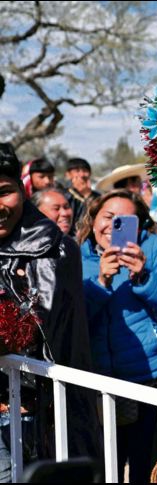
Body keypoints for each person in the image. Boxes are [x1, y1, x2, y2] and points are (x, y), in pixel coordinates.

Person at [0, 143, 100, 481]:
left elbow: (38, 328)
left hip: (33, 412)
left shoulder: (51, 248)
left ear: (22, 191)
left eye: (4, 192)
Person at [77, 189, 157, 483]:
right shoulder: (77, 255)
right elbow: (72, 320)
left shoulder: (155, 248)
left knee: (146, 467)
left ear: (139, 225)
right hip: (96, 384)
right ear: (93, 218)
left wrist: (144, 277)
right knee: (104, 468)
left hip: (148, 380)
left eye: (124, 220)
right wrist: (101, 282)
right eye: (107, 217)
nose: (113, 227)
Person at [63, 157, 100, 229]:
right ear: (68, 175)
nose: (82, 174)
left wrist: (87, 195)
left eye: (85, 171)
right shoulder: (63, 195)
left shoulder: (97, 197)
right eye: (77, 171)